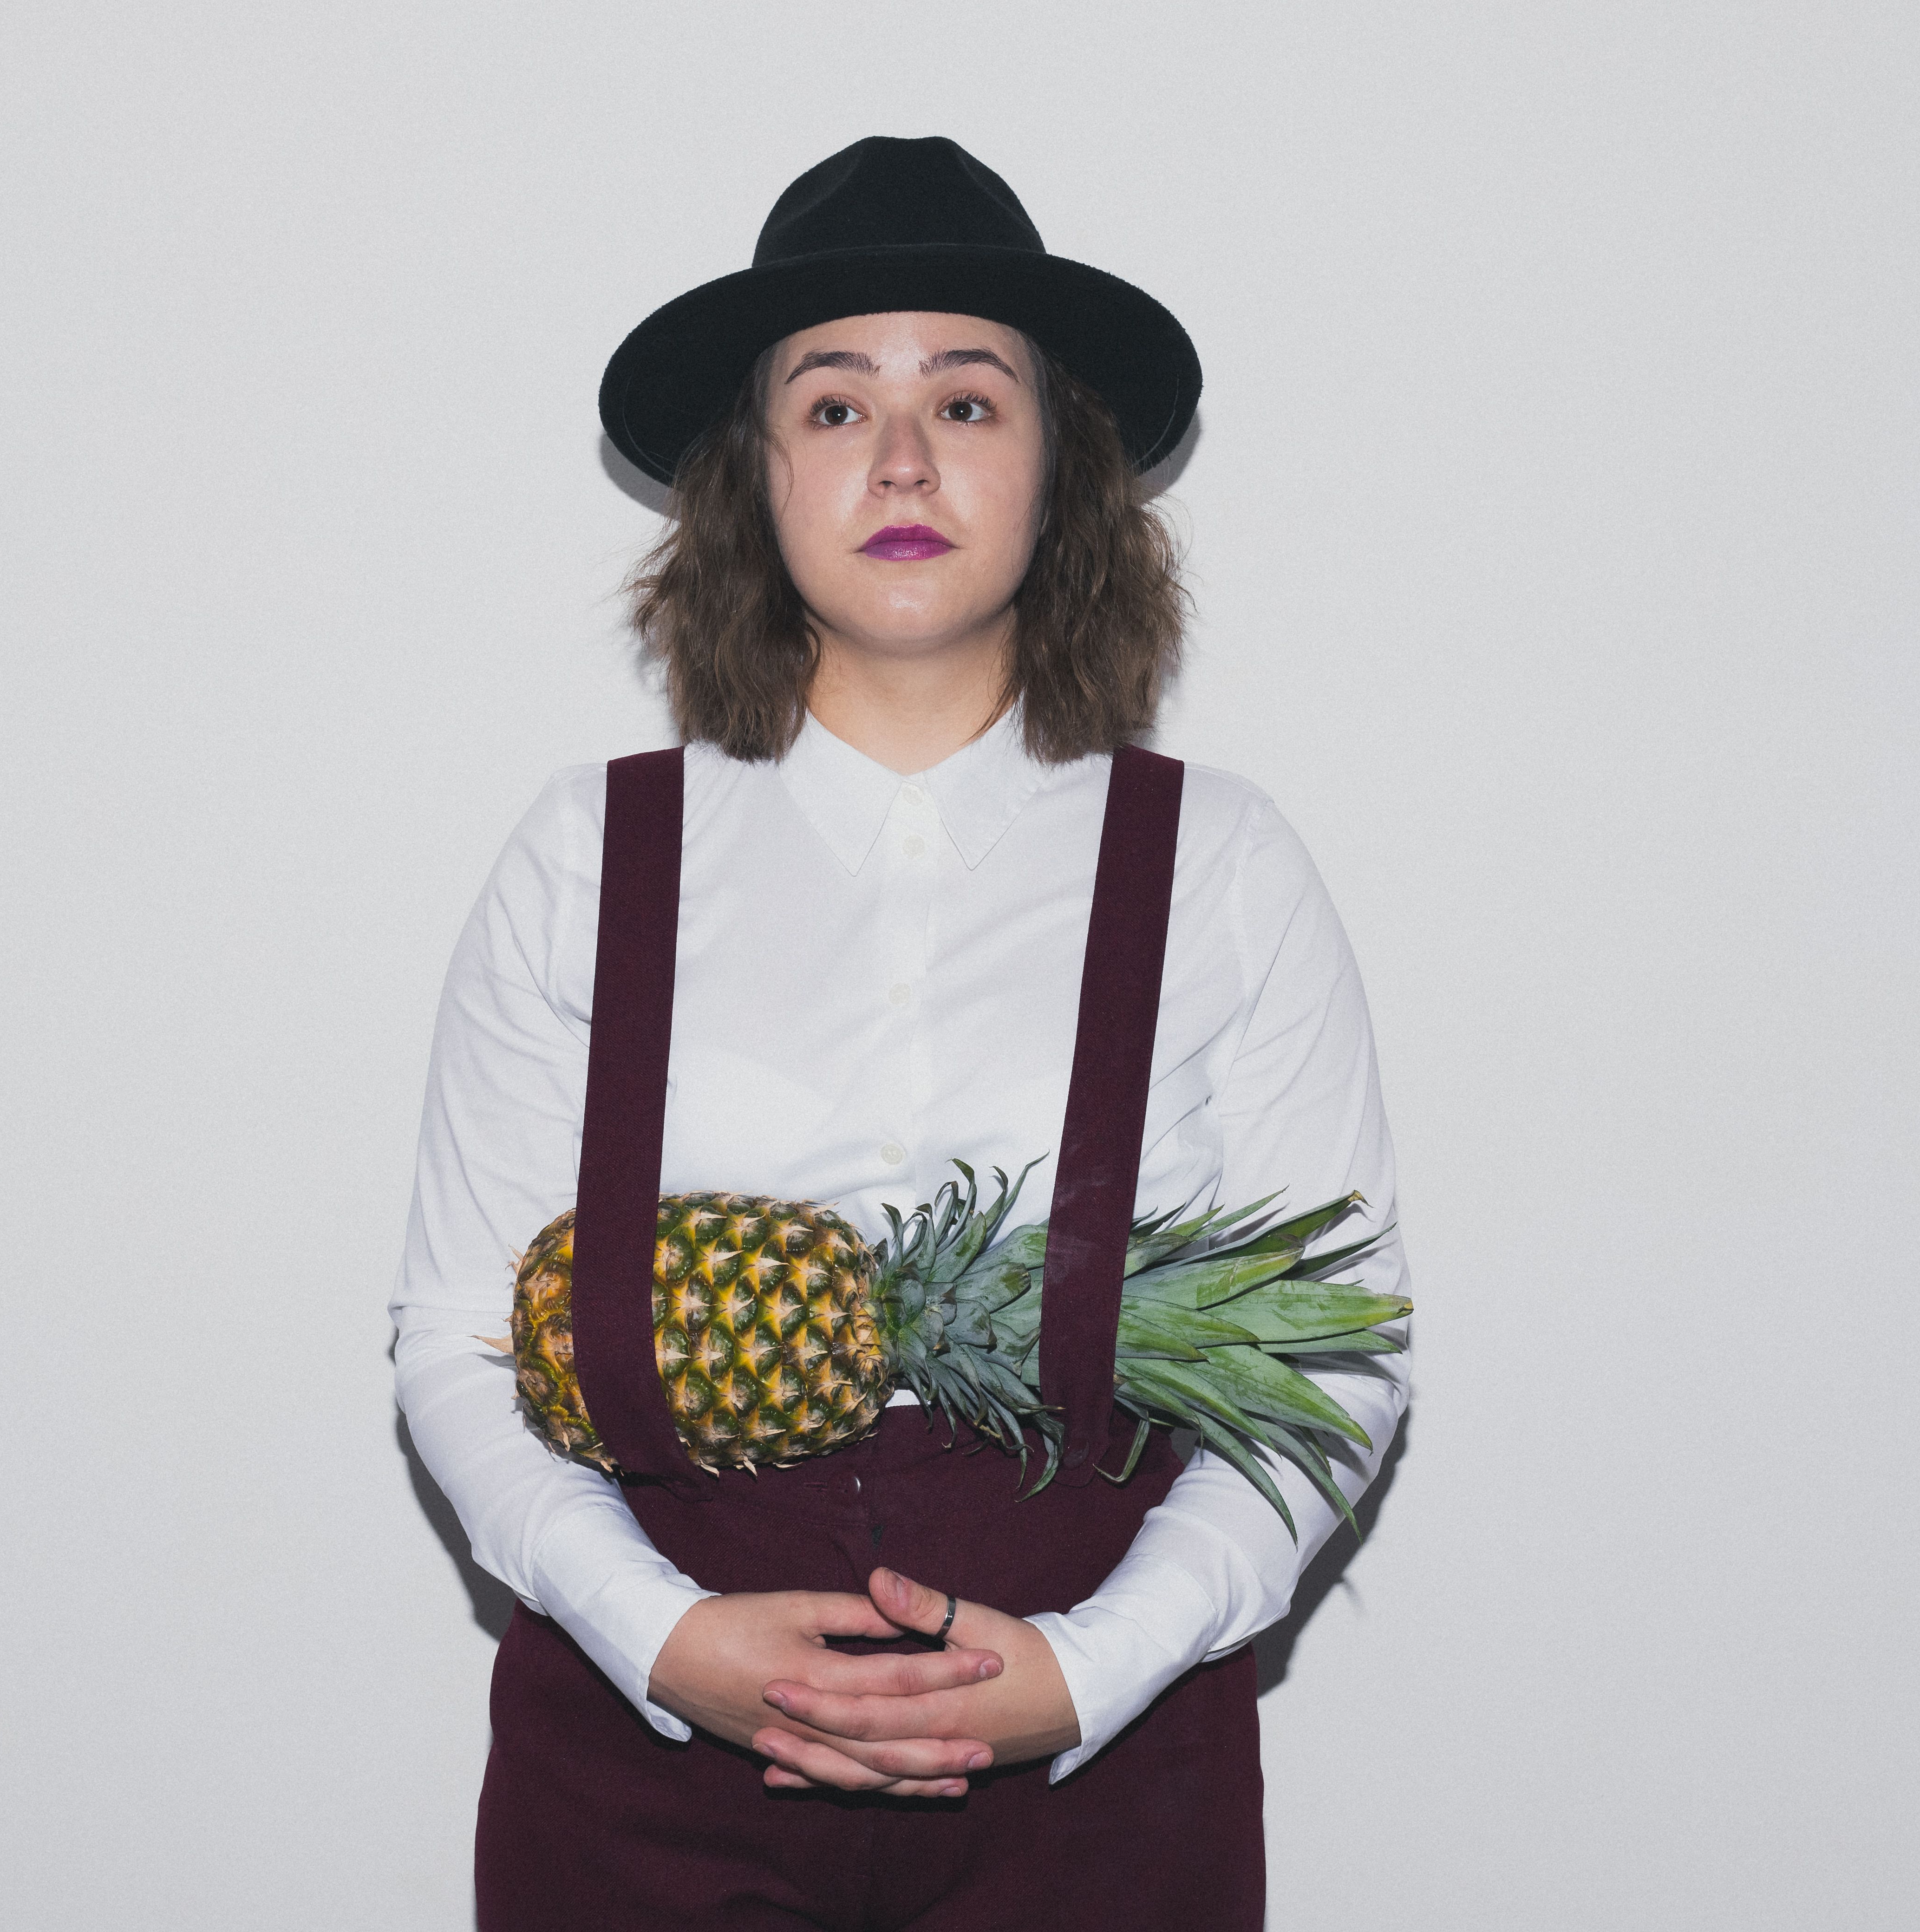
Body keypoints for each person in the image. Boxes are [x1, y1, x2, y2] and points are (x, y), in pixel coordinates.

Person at [390, 136, 1411, 1929]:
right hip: (644, 1787)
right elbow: (459, 1333)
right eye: (837, 405)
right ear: (755, 475)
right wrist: (662, 1638)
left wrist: (1095, 1669)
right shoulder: (587, 855)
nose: (907, 460)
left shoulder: (1224, 867)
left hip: (1102, 1799)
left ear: (1060, 466)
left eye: (969, 399)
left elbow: (1338, 1357)